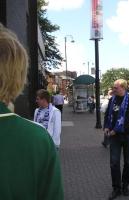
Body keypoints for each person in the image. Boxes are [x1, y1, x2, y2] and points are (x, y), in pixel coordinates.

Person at [0, 23, 63, 199]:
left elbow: (56, 130)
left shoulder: (44, 129)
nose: (36, 100)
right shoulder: (37, 139)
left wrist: (54, 145)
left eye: (38, 98)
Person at [104, 79, 129, 200]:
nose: (113, 89)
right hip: (114, 136)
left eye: (115, 87)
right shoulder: (112, 99)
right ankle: (116, 188)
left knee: (128, 162)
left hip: (127, 135)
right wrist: (107, 126)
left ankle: (125, 186)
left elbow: (128, 120)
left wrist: (115, 130)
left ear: (123, 88)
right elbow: (107, 114)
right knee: (114, 163)